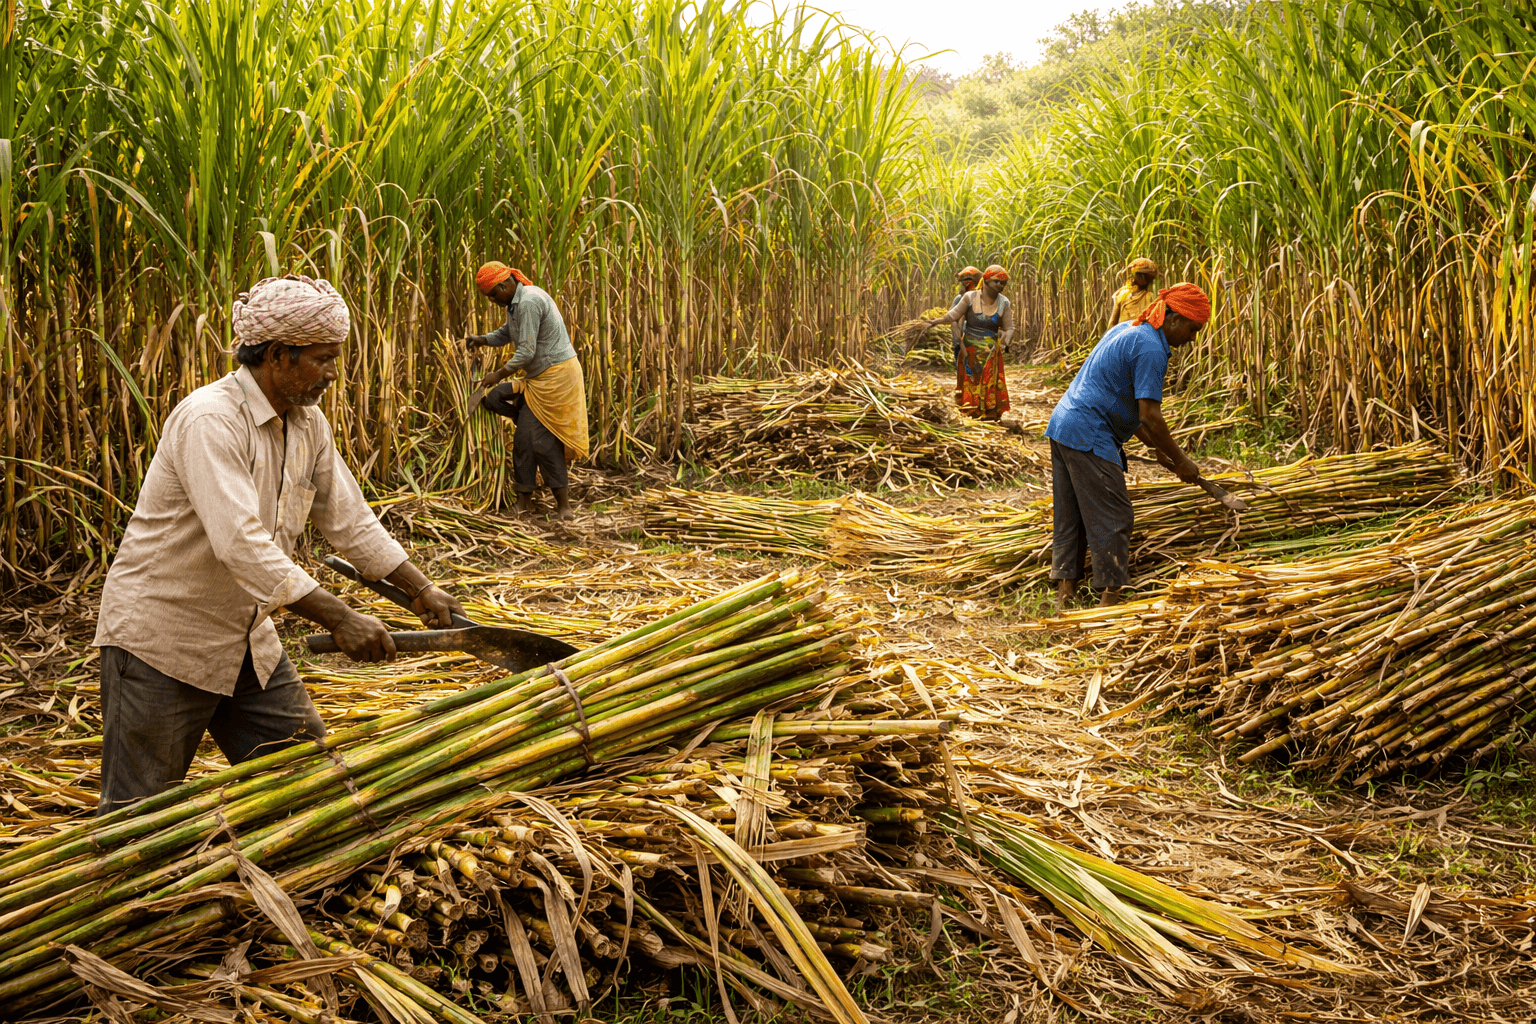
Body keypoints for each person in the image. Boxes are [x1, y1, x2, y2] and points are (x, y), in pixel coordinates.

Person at [91, 275, 466, 815]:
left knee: (309, 788)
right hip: (164, 642)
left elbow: (349, 518)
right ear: (277, 355)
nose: (334, 374)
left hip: (246, 639)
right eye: (323, 359)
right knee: (139, 815)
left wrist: (421, 588)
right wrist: (339, 617)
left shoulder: (307, 423)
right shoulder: (211, 420)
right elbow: (240, 543)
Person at [1044, 283, 1212, 613]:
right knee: (1115, 516)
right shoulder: (1151, 348)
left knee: (1072, 515)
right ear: (1175, 319)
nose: (1193, 338)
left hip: (1064, 424)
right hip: (1089, 432)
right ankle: (1109, 604)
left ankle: (1065, 595)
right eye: (1193, 329)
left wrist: (1159, 450)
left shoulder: (1130, 328)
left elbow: (1129, 407)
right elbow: (1149, 414)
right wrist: (1181, 461)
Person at [466, 262, 589, 520]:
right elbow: (507, 333)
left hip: (556, 378)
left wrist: (496, 374)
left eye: (492, 294)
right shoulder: (516, 304)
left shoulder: (530, 301)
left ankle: (549, 506)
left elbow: (526, 352)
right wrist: (482, 340)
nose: (491, 300)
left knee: (535, 442)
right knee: (496, 398)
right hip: (538, 379)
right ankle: (526, 419)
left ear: (504, 285)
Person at [924, 264, 1013, 421]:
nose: (1000, 286)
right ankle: (972, 412)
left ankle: (989, 414)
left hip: (991, 352)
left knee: (989, 382)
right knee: (971, 381)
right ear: (985, 281)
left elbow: (1009, 327)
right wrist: (934, 322)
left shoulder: (1004, 303)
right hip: (969, 349)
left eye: (1003, 283)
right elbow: (952, 316)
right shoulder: (968, 298)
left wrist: (1006, 340)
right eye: (996, 282)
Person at [948, 265, 982, 384]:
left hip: (978, 340)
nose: (966, 283)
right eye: (964, 281)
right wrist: (957, 337)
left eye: (969, 280)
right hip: (961, 338)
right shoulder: (959, 299)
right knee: (962, 365)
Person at [1109, 257, 1159, 327]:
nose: (1142, 278)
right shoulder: (1122, 294)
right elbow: (1112, 322)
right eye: (1139, 275)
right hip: (1122, 332)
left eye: (1145, 276)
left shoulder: (1152, 297)